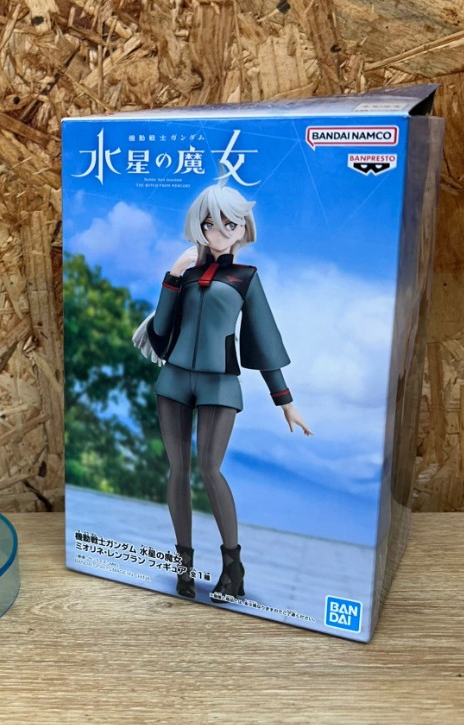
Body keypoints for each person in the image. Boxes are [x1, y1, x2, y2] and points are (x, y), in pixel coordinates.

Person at [133, 182, 311, 602]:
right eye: (210, 223)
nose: (220, 231)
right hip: (175, 380)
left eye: (230, 224)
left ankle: (233, 568)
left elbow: (263, 338)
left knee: (210, 469)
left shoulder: (245, 278)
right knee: (178, 470)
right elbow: (161, 332)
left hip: (219, 382)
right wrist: (172, 277)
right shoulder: (187, 275)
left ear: (243, 228)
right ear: (199, 226)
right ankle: (184, 566)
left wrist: (284, 399)